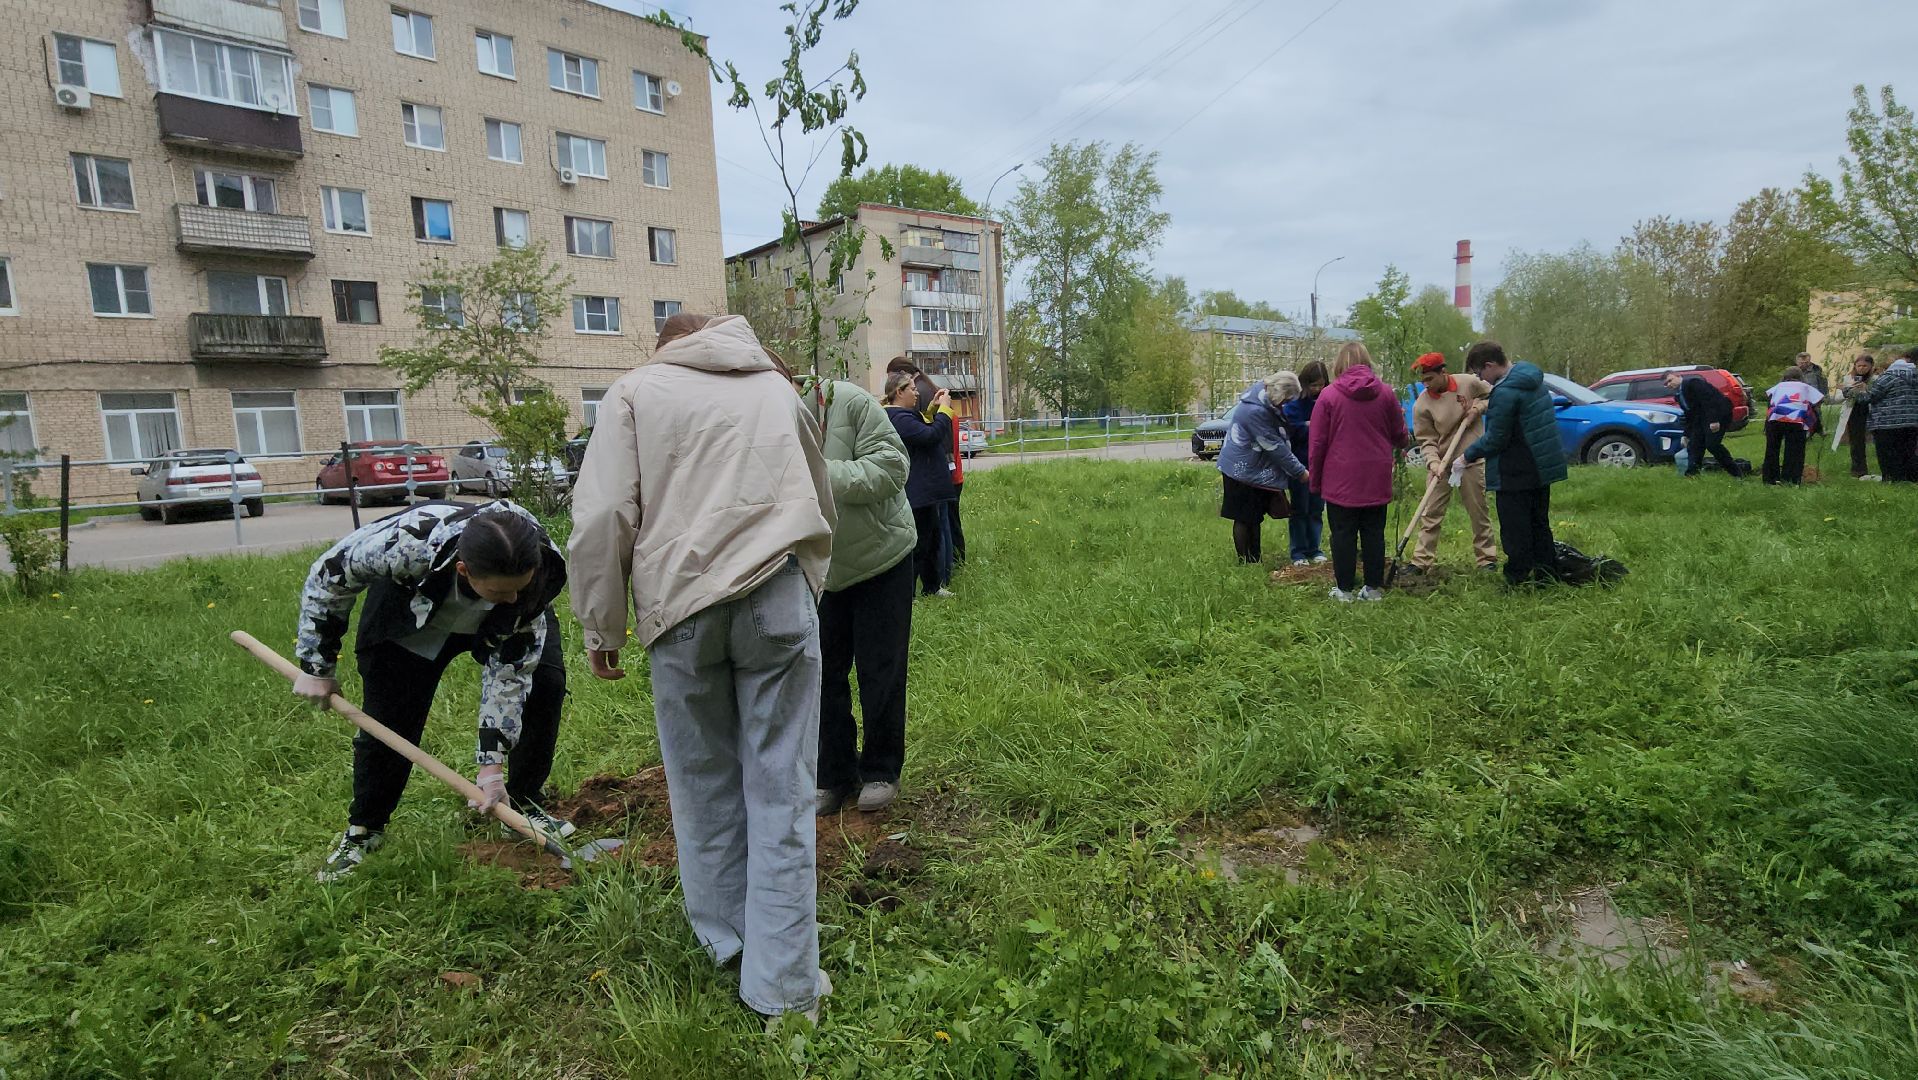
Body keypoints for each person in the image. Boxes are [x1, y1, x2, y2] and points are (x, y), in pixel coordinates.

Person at [568, 312, 836, 1024]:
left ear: (667, 348)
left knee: (701, 786)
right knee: (783, 791)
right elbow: (820, 495)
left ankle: (730, 941)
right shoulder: (778, 389)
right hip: (777, 597)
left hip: (680, 611)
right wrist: (806, 584)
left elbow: (600, 519)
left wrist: (602, 624)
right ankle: (786, 989)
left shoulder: (633, 392)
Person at [295, 500, 571, 882]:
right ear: (464, 570)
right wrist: (316, 665)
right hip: (415, 610)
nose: (510, 600)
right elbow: (329, 577)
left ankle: (521, 804)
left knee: (545, 684)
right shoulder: (408, 544)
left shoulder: (532, 582)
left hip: (501, 612)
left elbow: (510, 676)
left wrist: (491, 768)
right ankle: (365, 831)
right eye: (498, 591)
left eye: (516, 590)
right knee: (391, 718)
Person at [785, 367, 918, 816]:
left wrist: (818, 474)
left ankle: (881, 769)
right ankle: (834, 773)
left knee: (880, 669)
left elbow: (892, 469)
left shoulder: (849, 402)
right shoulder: (759, 422)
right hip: (821, 572)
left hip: (882, 558)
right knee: (822, 674)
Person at [1463, 341, 1569, 587]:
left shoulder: (1506, 390)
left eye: (1480, 373)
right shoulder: (1530, 378)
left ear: (1490, 365)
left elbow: (1496, 438)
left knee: (1514, 527)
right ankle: (1546, 575)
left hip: (1515, 469)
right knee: (1539, 522)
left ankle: (1517, 578)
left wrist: (1466, 455)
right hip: (1539, 466)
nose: (1482, 379)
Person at [1309, 343, 1408, 601]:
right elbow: (1400, 435)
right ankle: (1373, 588)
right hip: (1376, 474)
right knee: (1374, 532)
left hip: (1340, 477)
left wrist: (1316, 481)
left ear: (1340, 364)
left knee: (1343, 534)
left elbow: (1317, 443)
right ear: (1367, 361)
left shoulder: (1329, 396)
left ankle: (1344, 589)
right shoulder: (1386, 394)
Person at [1407, 351, 1496, 574]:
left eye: (1430, 379)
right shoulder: (1422, 405)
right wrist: (1433, 463)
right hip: (1442, 463)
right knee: (1430, 513)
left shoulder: (1469, 383)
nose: (1426, 384)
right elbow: (1426, 440)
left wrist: (1478, 408)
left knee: (1478, 510)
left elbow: (1493, 394)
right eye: (1423, 380)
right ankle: (1421, 561)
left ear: (1443, 372)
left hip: (1470, 459)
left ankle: (1486, 559)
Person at [1217, 370, 1310, 564]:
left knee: (1255, 516)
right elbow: (1274, 446)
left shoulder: (1262, 397)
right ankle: (1245, 561)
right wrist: (1300, 473)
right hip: (1239, 469)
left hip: (1253, 468)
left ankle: (1255, 559)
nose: (1286, 405)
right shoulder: (1255, 411)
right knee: (1243, 517)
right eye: (1286, 401)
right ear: (1280, 393)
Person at [883, 369, 959, 597]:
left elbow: (922, 428)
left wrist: (933, 409)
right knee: (920, 543)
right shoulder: (896, 417)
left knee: (933, 538)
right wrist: (945, 409)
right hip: (918, 490)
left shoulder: (903, 416)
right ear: (899, 392)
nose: (917, 394)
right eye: (913, 389)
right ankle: (909, 594)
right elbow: (929, 436)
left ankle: (932, 586)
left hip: (924, 490)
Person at [1280, 361, 1329, 566]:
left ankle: (1314, 548)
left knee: (1316, 508)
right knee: (1300, 509)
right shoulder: (1293, 405)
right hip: (1299, 465)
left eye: (1321, 384)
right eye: (1313, 385)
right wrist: (1311, 427)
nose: (1317, 389)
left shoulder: (1327, 401)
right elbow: (1290, 431)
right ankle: (1298, 552)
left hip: (1322, 465)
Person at [1665, 370, 1738, 477]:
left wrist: (1714, 420)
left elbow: (1710, 401)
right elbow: (1690, 415)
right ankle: (1692, 475)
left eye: (1670, 380)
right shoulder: (1679, 395)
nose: (1669, 384)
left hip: (1719, 415)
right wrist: (1686, 434)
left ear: (1678, 376)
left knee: (1712, 445)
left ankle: (1735, 472)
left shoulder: (1693, 383)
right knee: (1694, 445)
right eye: (1666, 384)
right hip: (1701, 419)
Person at [1761, 366, 1825, 485]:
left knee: (1772, 449)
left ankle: (1770, 478)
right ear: (1801, 376)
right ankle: (1791, 479)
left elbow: (1769, 399)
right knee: (1795, 450)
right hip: (1795, 419)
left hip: (1774, 420)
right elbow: (1819, 400)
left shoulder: (1778, 386)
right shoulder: (1805, 387)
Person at [1865, 350, 1918, 483]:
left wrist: (1850, 391)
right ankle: (1911, 479)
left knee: (1888, 454)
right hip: (1912, 421)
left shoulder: (1888, 377)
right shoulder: (1916, 376)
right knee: (1908, 452)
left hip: (1886, 423)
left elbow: (1870, 397)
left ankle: (1892, 480)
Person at [1838, 353, 1877, 478]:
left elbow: (1876, 395)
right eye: (1858, 366)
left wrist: (1865, 389)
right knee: (1856, 442)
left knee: (1876, 440)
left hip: (1871, 411)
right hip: (1855, 412)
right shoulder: (1849, 378)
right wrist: (1847, 390)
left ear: (1871, 366)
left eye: (1865, 366)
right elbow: (1838, 398)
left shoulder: (1876, 379)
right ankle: (1858, 469)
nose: (1861, 368)